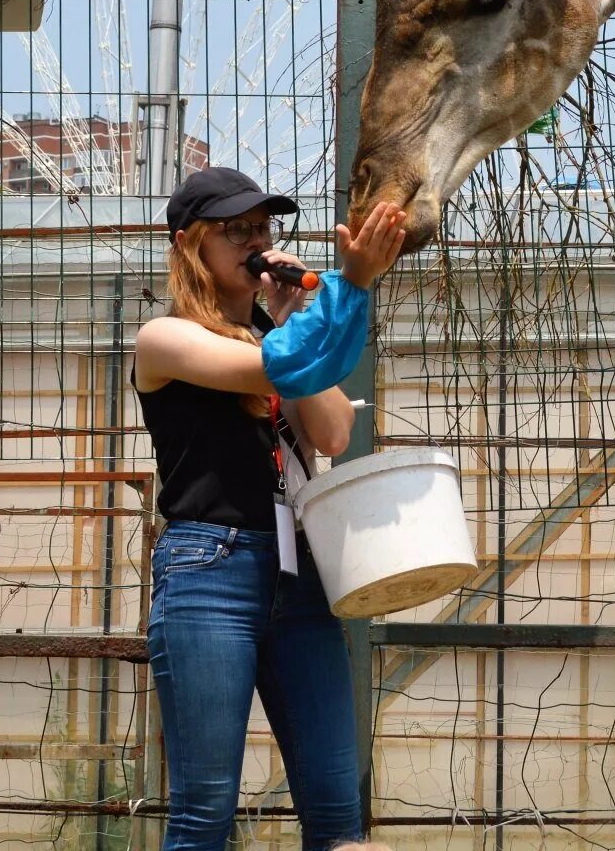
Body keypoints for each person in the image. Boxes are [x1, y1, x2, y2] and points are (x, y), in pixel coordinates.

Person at [132, 166, 406, 851]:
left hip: (298, 577)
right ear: (189, 243)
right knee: (205, 812)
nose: (256, 242)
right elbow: (265, 372)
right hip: (209, 571)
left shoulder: (271, 335)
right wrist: (351, 288)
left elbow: (334, 431)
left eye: (263, 227)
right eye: (236, 231)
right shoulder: (163, 339)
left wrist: (296, 314)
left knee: (339, 808)